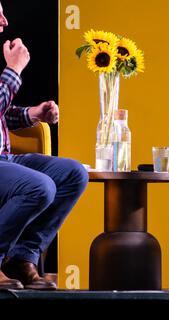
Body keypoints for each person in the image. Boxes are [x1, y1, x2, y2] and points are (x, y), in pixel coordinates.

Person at [0, 3, 88, 290]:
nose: (4, 20)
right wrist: (13, 70)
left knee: (73, 173)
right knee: (39, 186)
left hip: (5, 158)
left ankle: (21, 257)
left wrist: (33, 114)